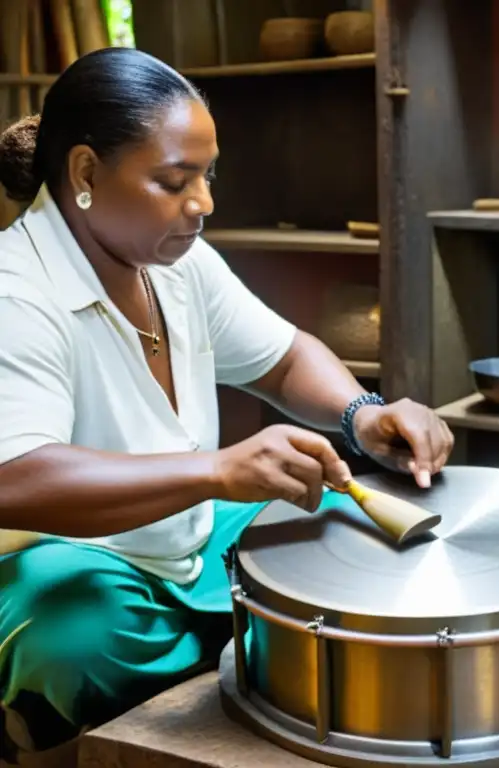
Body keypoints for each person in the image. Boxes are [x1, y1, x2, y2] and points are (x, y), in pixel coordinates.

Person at [0, 47, 454, 762]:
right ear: (86, 173)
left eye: (208, 176)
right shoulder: (16, 291)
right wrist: (216, 472)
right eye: (174, 180)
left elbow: (286, 358)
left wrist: (363, 414)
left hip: (191, 537)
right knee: (79, 636)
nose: (204, 203)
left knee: (350, 529)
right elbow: (17, 479)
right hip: (66, 560)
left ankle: (211, 658)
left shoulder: (175, 263)